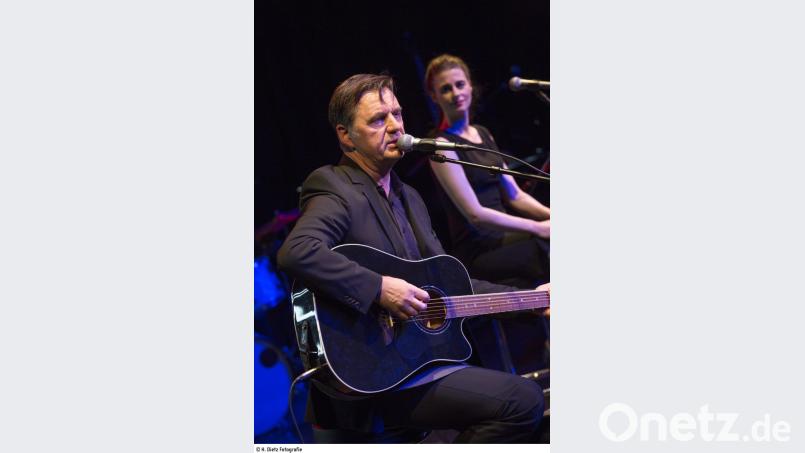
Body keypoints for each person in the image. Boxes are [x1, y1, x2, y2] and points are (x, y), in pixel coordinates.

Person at [277, 73, 547, 443]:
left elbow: (454, 285)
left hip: (414, 365)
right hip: (371, 375)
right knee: (522, 399)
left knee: (513, 394)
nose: (394, 126)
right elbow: (297, 251)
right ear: (345, 136)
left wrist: (533, 300)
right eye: (377, 119)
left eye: (397, 114)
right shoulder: (335, 185)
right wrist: (379, 288)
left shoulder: (410, 198)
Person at [424, 54, 550, 288]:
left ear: (470, 85)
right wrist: (539, 227)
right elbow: (475, 214)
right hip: (479, 249)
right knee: (544, 246)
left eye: (460, 85)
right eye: (446, 89)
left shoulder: (483, 133)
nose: (456, 93)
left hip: (504, 238)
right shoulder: (439, 145)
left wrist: (550, 216)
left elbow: (514, 195)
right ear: (434, 96)